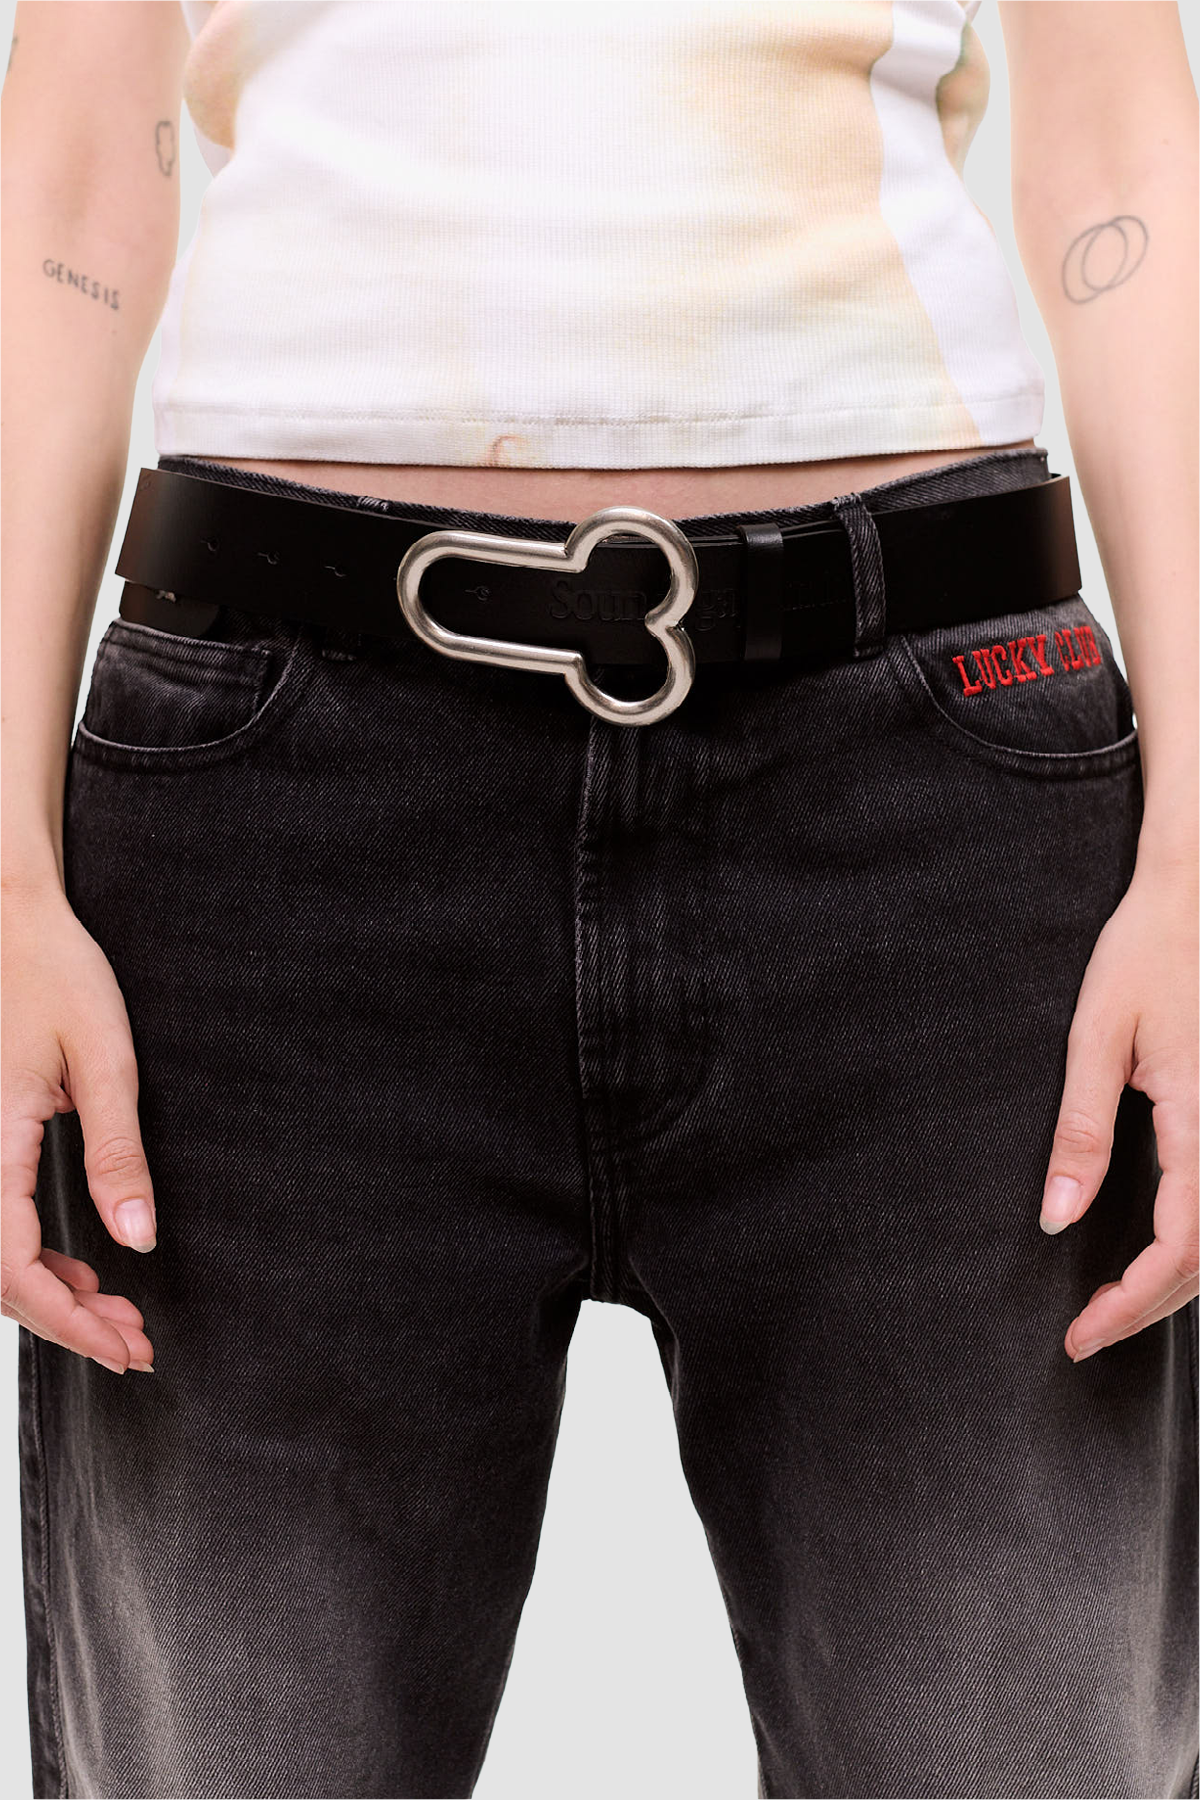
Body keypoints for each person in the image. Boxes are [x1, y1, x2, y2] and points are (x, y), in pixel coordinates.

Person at [2, 1, 1196, 1795]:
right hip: (279, 834)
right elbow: (75, 176)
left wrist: (1197, 857)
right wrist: (5, 872)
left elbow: (1118, 150)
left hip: (928, 810)